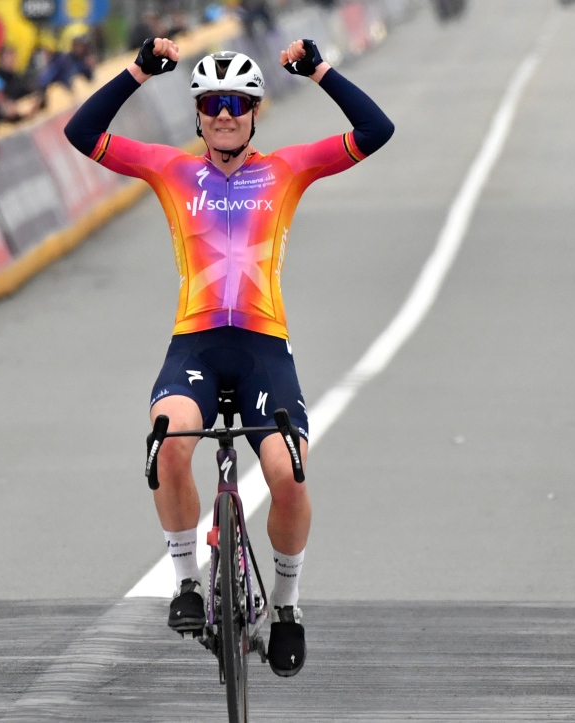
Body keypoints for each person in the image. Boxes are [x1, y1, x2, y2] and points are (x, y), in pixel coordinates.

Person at [64, 37, 393, 677]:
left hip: (264, 349)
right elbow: (82, 131)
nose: (224, 114)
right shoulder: (170, 169)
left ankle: (289, 609)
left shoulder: (288, 169)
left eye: (237, 103)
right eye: (212, 102)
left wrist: (319, 69)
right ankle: (186, 583)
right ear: (196, 113)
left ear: (254, 110)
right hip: (196, 343)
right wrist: (137, 71)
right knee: (169, 443)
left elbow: (376, 130)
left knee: (289, 475)